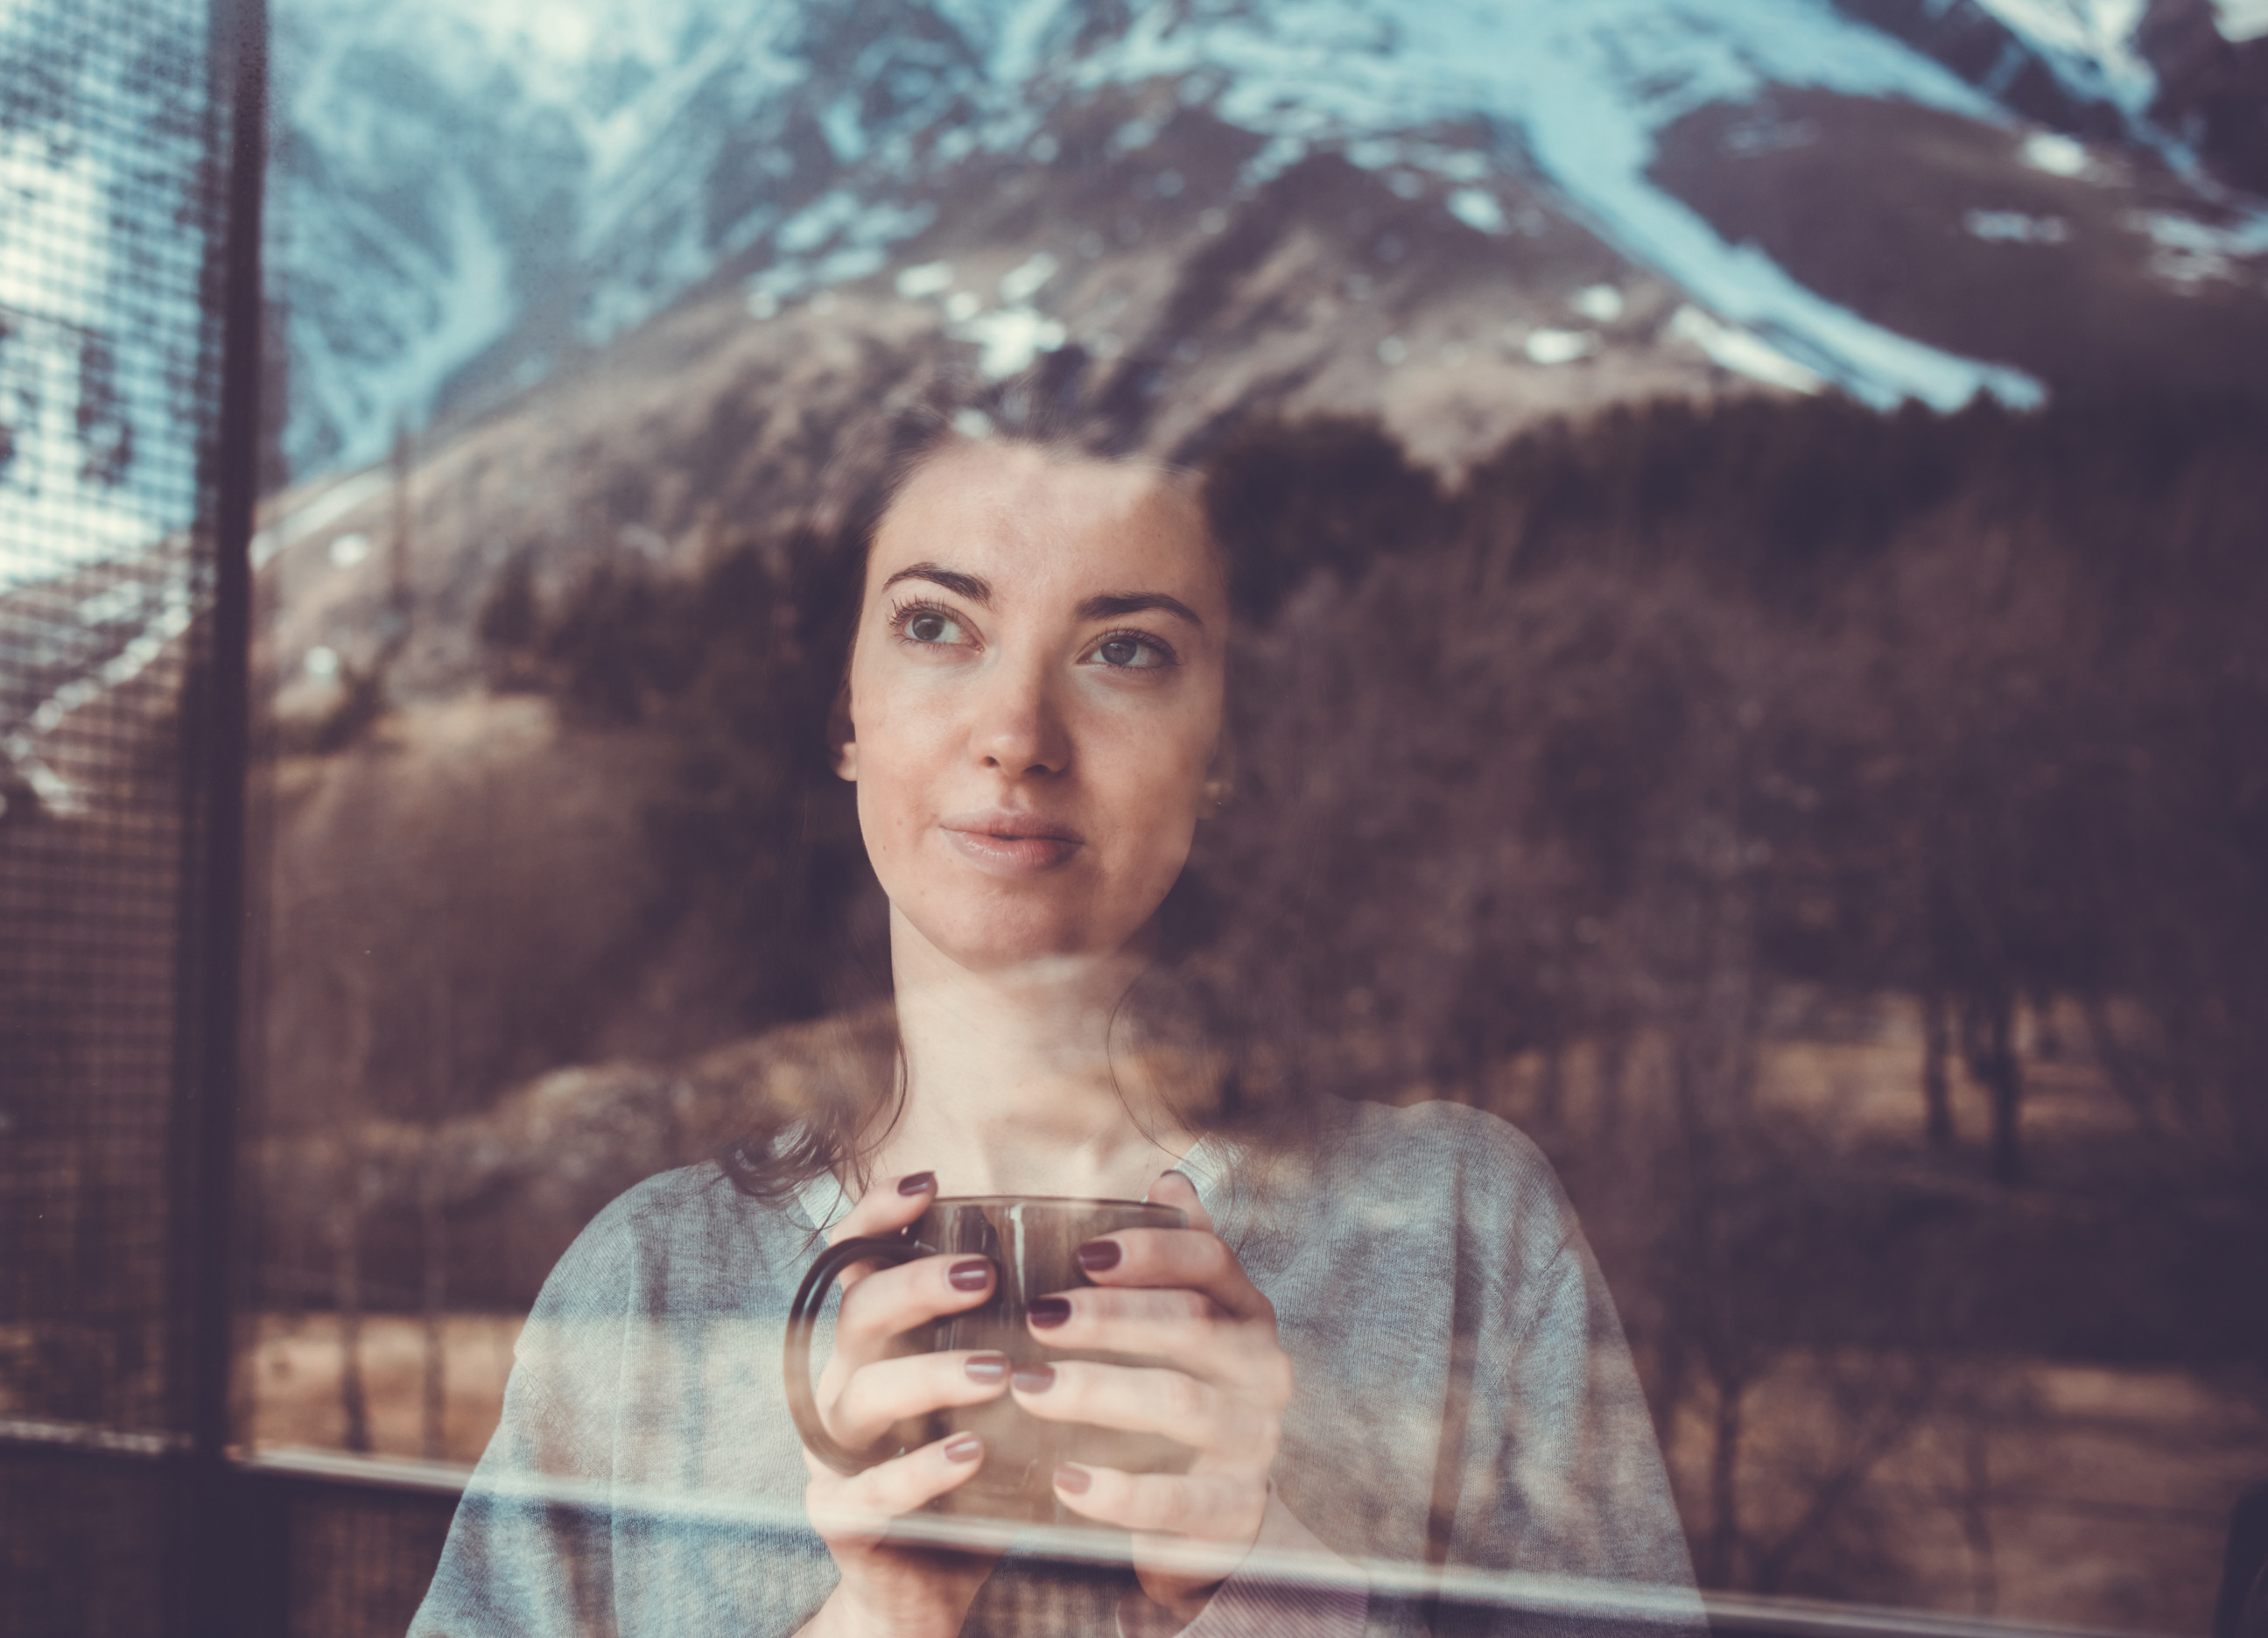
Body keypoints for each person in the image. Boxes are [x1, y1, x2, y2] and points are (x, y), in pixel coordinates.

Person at [408, 399, 1701, 1637]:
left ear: (1222, 746)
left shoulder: (1461, 1227)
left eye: (1126, 649)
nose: (1017, 734)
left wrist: (1276, 1597)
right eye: (935, 624)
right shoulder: (650, 1286)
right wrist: (877, 1627)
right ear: (845, 711)